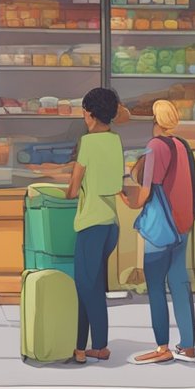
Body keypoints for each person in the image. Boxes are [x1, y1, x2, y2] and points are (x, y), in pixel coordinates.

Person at [129, 100, 195, 366]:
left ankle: (162, 347)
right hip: (182, 225)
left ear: (155, 120)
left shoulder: (155, 146)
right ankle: (189, 347)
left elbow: (146, 191)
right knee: (180, 284)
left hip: (160, 227)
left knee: (156, 286)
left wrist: (129, 202)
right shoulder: (183, 145)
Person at [65, 87, 124, 364]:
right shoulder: (115, 140)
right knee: (90, 285)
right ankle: (79, 346)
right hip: (111, 223)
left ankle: (99, 346)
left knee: (88, 288)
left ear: (89, 113)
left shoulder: (87, 142)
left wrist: (69, 183)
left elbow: (73, 189)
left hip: (91, 224)